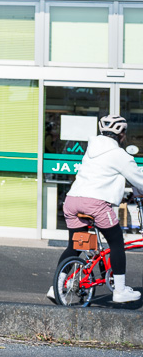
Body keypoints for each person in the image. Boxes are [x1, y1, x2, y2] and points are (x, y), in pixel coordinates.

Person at [52, 115, 143, 303]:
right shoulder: (120, 155)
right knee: (116, 241)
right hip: (95, 204)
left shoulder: (91, 149)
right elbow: (139, 180)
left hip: (72, 200)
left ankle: (56, 288)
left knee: (75, 245)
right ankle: (120, 291)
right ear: (122, 134)